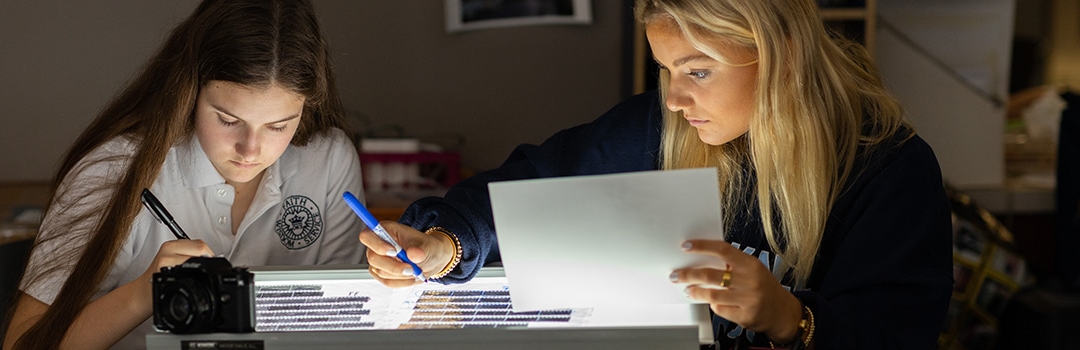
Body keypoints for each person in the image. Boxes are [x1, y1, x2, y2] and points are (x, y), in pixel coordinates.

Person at [359, 0, 952, 348]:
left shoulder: (889, 168)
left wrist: (789, 318)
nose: (672, 99)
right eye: (666, 69)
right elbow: (525, 186)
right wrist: (446, 243)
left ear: (784, 55)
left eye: (697, 72)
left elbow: (898, 330)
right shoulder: (655, 132)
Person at [2, 0, 364, 348]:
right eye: (228, 120)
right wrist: (144, 294)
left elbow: (350, 326)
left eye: (278, 126)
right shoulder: (113, 172)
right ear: (190, 90)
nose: (251, 150)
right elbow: (21, 344)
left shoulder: (328, 160)